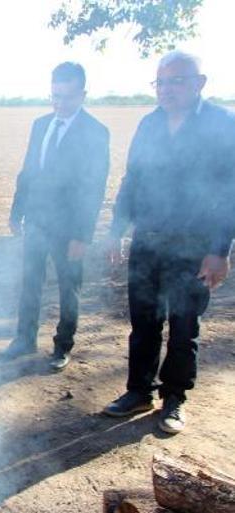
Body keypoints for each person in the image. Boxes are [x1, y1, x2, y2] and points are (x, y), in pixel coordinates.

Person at [103, 51, 235, 434]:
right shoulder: (149, 124)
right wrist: (116, 229)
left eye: (177, 81)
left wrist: (219, 251)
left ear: (200, 83)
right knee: (143, 322)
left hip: (194, 248)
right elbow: (132, 181)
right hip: (148, 241)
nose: (167, 89)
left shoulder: (222, 125)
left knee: (183, 325)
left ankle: (174, 399)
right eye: (161, 82)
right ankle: (138, 391)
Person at [3, 62, 110, 370]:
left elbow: (94, 187)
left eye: (67, 97)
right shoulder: (40, 124)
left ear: (83, 94)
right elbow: (28, 170)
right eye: (55, 96)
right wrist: (16, 211)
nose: (60, 103)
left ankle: (63, 346)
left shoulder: (95, 132)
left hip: (69, 228)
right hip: (36, 220)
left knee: (68, 286)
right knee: (30, 281)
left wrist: (82, 236)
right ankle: (24, 339)